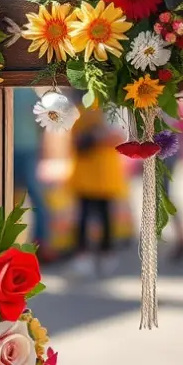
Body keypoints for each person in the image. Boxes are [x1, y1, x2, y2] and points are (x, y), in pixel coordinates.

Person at [68, 100, 129, 277]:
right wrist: (96, 137)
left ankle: (105, 251)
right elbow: (76, 140)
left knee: (105, 217)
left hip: (105, 175)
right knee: (84, 217)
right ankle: (83, 253)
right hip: (87, 175)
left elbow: (119, 138)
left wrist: (98, 137)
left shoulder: (113, 111)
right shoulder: (82, 111)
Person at [12, 88, 50, 256]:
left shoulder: (25, 90)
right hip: (19, 148)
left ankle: (40, 242)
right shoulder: (28, 90)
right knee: (34, 199)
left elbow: (41, 122)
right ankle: (39, 242)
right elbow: (42, 123)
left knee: (6, 198)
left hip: (22, 149)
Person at [161, 106, 183, 262]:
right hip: (166, 151)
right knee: (164, 196)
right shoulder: (171, 101)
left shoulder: (169, 102)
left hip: (165, 153)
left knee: (164, 196)